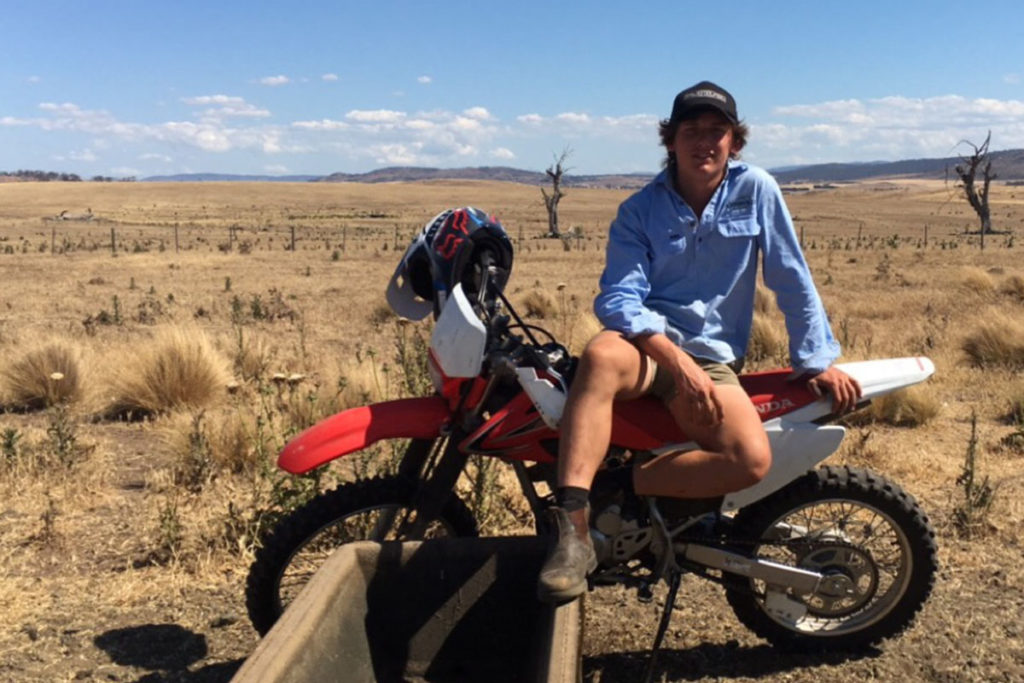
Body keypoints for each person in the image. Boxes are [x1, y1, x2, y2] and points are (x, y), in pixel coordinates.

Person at [537, 80, 862, 603]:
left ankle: (621, 487)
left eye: (718, 131)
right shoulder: (640, 210)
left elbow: (790, 275)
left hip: (712, 358)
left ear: (735, 141)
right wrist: (673, 359)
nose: (704, 142)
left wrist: (816, 359)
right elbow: (619, 299)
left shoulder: (757, 189)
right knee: (599, 354)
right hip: (647, 350)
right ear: (671, 140)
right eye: (692, 130)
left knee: (749, 461)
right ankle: (572, 535)